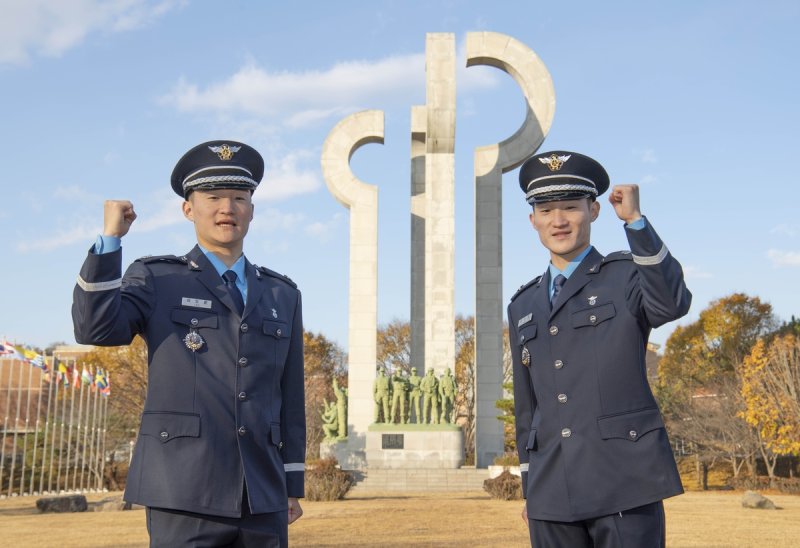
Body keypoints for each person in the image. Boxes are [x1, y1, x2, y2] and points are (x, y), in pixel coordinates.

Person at [72, 140, 305, 547]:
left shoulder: (282, 293)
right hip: (182, 489)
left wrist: (290, 481)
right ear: (188, 208)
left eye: (239, 197)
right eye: (213, 197)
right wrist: (110, 240)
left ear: (252, 208)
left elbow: (290, 392)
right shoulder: (158, 278)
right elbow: (96, 329)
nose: (226, 209)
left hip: (262, 494)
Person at [507, 150, 690, 547]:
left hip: (623, 478)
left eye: (571, 207)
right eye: (547, 210)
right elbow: (528, 406)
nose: (559, 220)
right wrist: (530, 485)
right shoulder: (522, 305)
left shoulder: (625, 274)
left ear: (593, 210)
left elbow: (671, 303)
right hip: (551, 487)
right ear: (532, 219)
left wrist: (637, 224)